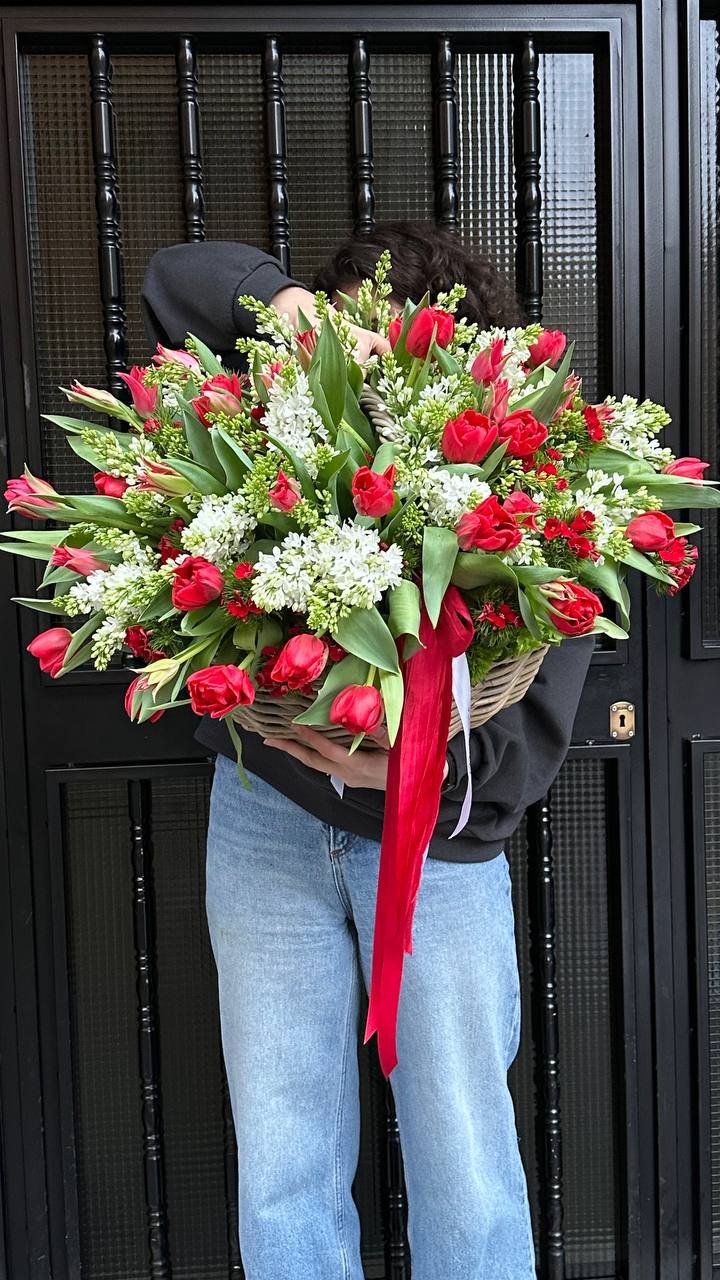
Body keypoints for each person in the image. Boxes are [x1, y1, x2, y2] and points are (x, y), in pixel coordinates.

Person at [141, 222, 594, 1280]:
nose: (366, 373)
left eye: (392, 345)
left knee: (465, 1161)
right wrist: (288, 307)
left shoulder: (527, 494)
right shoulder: (278, 453)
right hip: (265, 817)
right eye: (348, 342)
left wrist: (420, 769)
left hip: (437, 846)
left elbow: (529, 734)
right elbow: (174, 277)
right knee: (283, 1162)